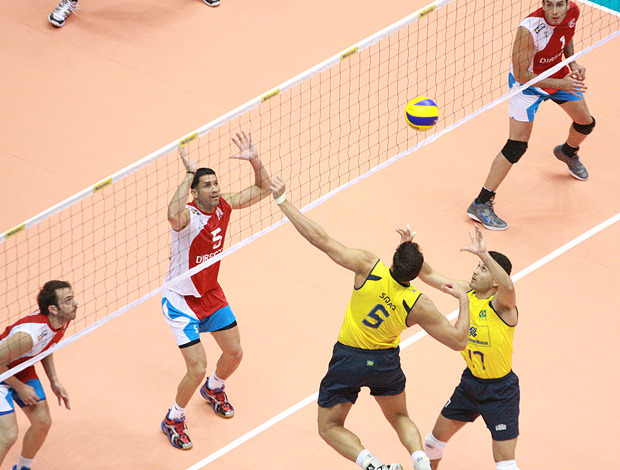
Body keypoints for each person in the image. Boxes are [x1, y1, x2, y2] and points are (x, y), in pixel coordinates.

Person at [270, 176, 471, 470]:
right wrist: (463, 301)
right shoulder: (419, 303)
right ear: (415, 274)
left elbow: (321, 240)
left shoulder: (369, 266)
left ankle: (374, 466)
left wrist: (282, 201)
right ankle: (420, 461)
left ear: (393, 259)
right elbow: (458, 342)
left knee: (329, 425)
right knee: (399, 417)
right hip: (385, 365)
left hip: (348, 359)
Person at [160, 131, 272, 450]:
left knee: (234, 353)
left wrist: (254, 158)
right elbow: (172, 213)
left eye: (215, 183)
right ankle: (174, 419)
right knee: (196, 367)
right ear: (194, 192)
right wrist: (187, 174)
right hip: (181, 300)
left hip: (210, 294)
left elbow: (263, 188)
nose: (214, 189)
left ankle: (214, 388)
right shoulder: (188, 218)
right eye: (207, 185)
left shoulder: (224, 205)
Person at [467, 0, 595, 230]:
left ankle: (567, 152)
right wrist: (561, 83)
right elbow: (521, 74)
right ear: (542, 5)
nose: (555, 11)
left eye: (559, 5)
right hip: (527, 87)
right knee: (517, 146)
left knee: (585, 123)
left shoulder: (574, 11)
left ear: (567, 5)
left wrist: (572, 62)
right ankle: (481, 203)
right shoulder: (528, 29)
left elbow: (566, 38)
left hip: (559, 77)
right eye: (549, 5)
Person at [418, 226, 520, 470]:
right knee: (432, 444)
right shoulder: (467, 292)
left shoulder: (503, 306)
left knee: (505, 464)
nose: (476, 271)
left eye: (483, 269)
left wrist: (485, 255)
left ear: (495, 281)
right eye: (477, 266)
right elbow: (429, 274)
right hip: (470, 385)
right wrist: (411, 249)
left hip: (501, 391)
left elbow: (509, 288)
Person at [0, 281, 76, 470]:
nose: (75, 303)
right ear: (53, 308)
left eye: (72, 297)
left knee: (42, 422)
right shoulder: (28, 336)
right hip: (2, 370)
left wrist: (54, 381)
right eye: (68, 300)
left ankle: (23, 467)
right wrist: (19, 387)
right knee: (8, 435)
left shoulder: (61, 320)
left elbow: (46, 345)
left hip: (19, 368)